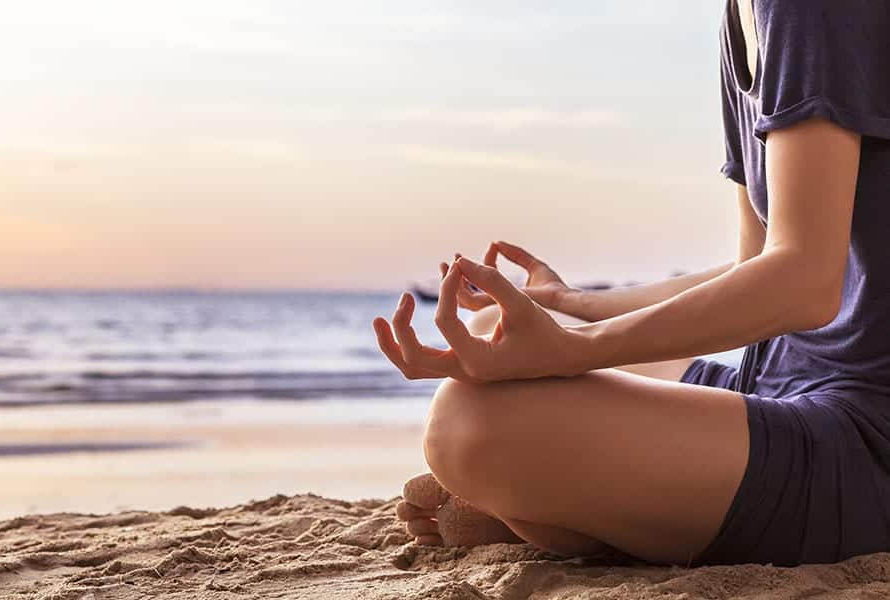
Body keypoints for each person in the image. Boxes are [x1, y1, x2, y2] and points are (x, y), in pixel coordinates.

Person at [373, 0, 890, 567]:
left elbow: (804, 285)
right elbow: (755, 267)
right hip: (773, 384)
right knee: (495, 329)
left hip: (865, 436)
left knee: (466, 427)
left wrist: (575, 349)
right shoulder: (740, 19)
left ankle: (567, 511)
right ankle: (580, 507)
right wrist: (573, 307)